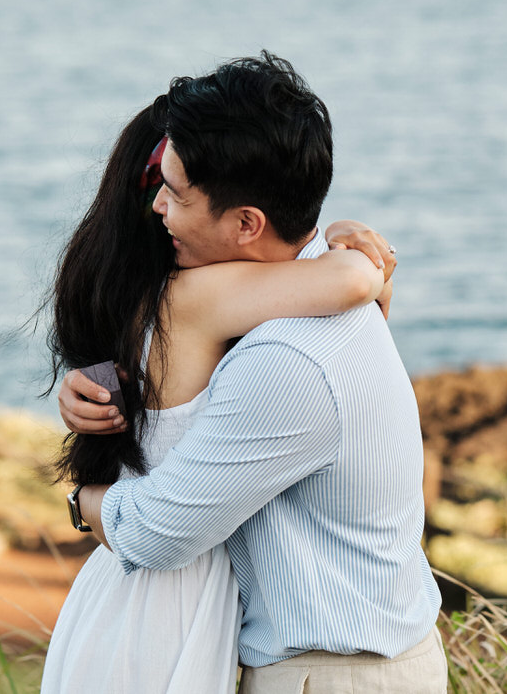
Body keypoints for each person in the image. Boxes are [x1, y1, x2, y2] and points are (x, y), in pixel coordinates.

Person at [56, 52, 446, 693]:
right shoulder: (306, 286)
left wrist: (82, 502)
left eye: (175, 193)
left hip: (331, 677)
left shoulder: (287, 360)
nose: (157, 206)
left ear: (245, 224)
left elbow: (157, 533)